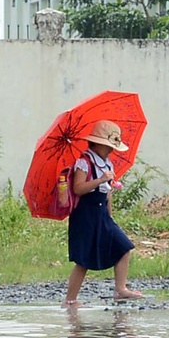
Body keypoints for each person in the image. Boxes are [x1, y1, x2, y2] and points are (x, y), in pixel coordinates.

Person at [64, 120, 144, 307]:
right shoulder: (84, 163)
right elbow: (78, 188)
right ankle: (70, 299)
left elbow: (107, 194)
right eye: (109, 146)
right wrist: (99, 180)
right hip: (85, 214)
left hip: (102, 213)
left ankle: (120, 288)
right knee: (83, 259)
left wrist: (110, 215)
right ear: (98, 143)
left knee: (123, 246)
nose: (111, 150)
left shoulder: (107, 164)